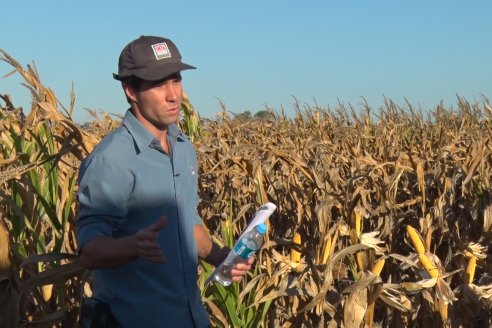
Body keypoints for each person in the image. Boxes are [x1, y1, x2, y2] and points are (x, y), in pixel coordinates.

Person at [76, 35, 254, 327]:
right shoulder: (112, 160)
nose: (174, 95)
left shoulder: (183, 147)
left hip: (190, 317)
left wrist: (222, 257)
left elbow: (190, 222)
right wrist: (134, 245)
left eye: (176, 80)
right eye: (159, 84)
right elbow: (89, 250)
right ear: (130, 90)